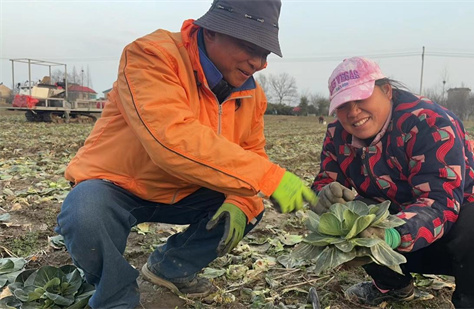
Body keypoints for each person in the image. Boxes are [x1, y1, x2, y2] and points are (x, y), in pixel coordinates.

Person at [55, 1, 317, 308]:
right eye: (249, 47)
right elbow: (171, 138)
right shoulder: (151, 55)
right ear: (213, 31)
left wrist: (239, 200)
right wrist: (270, 178)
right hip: (120, 186)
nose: (259, 63)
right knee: (85, 211)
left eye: (265, 54)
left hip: (188, 191)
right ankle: (116, 296)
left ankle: (169, 268)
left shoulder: (251, 94)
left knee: (248, 204)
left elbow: (252, 152)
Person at [311, 57, 474, 308]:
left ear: (386, 91)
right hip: (398, 230)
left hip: (459, 229)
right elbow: (324, 182)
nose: (353, 112)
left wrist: (390, 236)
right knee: (355, 215)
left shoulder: (429, 122)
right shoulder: (337, 135)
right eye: (343, 105)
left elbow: (440, 204)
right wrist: (324, 195)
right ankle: (393, 287)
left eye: (361, 98)